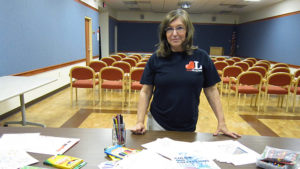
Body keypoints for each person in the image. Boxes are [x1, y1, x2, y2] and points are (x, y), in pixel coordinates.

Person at [130, 9, 240, 138]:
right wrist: (139, 121)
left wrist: (222, 123)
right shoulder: (156, 58)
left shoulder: (201, 57)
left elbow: (211, 90)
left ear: (187, 31)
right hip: (158, 123)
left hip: (188, 125)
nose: (174, 33)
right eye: (169, 29)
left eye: (179, 28)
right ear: (164, 33)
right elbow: (145, 91)